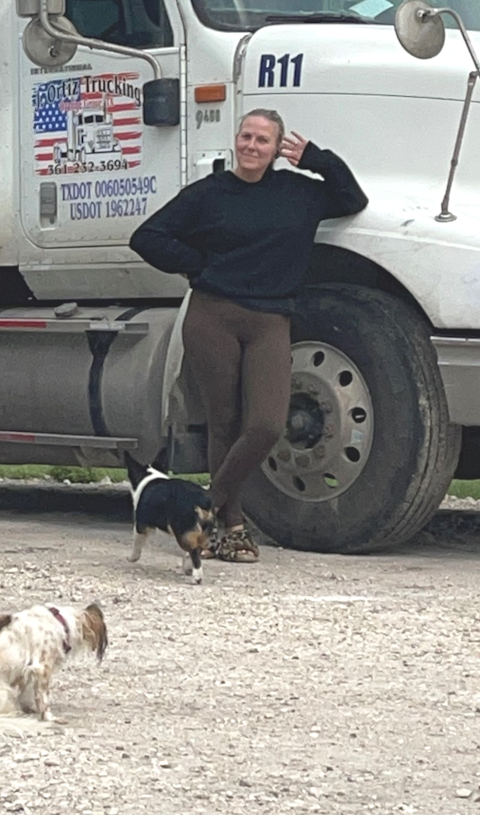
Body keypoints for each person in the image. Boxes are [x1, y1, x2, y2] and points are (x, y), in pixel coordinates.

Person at [128, 109, 367, 563]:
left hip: (270, 320)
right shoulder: (208, 195)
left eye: (262, 140)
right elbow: (147, 236)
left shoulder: (299, 193)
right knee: (225, 423)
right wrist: (198, 266)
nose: (251, 146)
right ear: (235, 141)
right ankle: (232, 529)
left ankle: (202, 505)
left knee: (265, 425)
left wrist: (317, 158)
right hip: (212, 316)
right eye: (246, 137)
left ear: (278, 149)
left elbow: (350, 198)